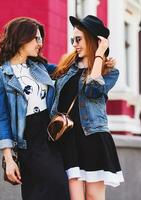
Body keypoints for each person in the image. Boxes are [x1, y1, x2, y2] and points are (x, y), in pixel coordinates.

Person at [0, 17, 70, 200]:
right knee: (53, 189)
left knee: (58, 191)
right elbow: (2, 120)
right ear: (21, 39)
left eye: (41, 39)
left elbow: (68, 71)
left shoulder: (40, 67)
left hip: (52, 136)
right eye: (36, 39)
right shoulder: (0, 77)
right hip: (29, 142)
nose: (40, 44)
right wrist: (9, 160)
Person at [50, 15, 124, 200]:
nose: (74, 44)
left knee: (93, 197)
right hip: (67, 139)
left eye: (78, 39)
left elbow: (93, 90)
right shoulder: (66, 68)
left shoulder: (110, 72)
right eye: (72, 40)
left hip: (92, 139)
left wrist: (99, 54)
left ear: (94, 40)